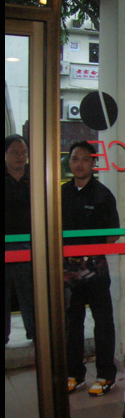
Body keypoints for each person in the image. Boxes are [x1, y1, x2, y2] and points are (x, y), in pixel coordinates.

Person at [62, 141, 120, 396]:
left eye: (85, 159)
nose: (79, 164)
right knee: (71, 322)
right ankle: (75, 374)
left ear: (93, 163)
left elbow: (113, 234)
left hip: (95, 268)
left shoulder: (102, 194)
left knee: (103, 322)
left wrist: (91, 256)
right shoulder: (61, 193)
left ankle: (106, 376)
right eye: (75, 158)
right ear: (69, 162)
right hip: (67, 269)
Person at [5, 134, 35, 344]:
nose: (20, 156)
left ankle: (35, 333)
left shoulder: (36, 177)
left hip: (30, 244)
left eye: (23, 152)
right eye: (15, 152)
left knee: (30, 290)